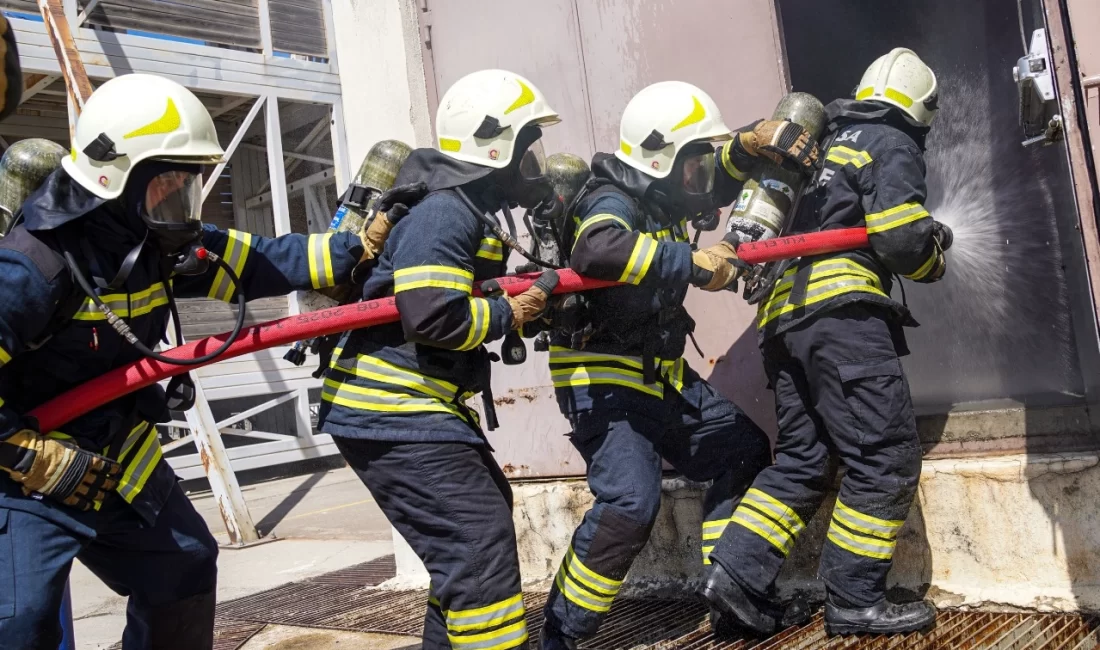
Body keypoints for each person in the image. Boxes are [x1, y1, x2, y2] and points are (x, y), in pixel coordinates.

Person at [0, 73, 395, 649]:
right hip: (27, 475)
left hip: (116, 456)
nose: (182, 199)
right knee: (18, 623)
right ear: (118, 177)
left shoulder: (158, 241)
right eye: (170, 182)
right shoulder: (30, 267)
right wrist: (32, 456)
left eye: (189, 182)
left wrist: (352, 248)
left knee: (184, 566)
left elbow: (263, 258)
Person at [539, 81, 820, 649]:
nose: (702, 175)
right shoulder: (610, 199)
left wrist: (748, 144)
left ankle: (730, 591)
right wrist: (692, 263)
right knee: (630, 503)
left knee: (739, 449)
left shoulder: (664, 194)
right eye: (693, 160)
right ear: (661, 160)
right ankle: (561, 635)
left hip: (659, 376)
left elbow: (715, 176)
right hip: (606, 378)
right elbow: (598, 251)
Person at [701, 48, 953, 637]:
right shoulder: (891, 141)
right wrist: (933, 257)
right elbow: (898, 241)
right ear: (919, 110)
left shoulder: (819, 142)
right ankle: (855, 599)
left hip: (782, 322)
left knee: (802, 460)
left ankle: (733, 578)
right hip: (844, 322)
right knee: (884, 457)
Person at [317, 69, 563, 650]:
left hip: (414, 409)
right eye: (528, 146)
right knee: (476, 543)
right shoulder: (445, 211)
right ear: (495, 149)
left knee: (474, 537)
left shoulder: (464, 210)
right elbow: (431, 317)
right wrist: (512, 312)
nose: (536, 162)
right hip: (393, 409)